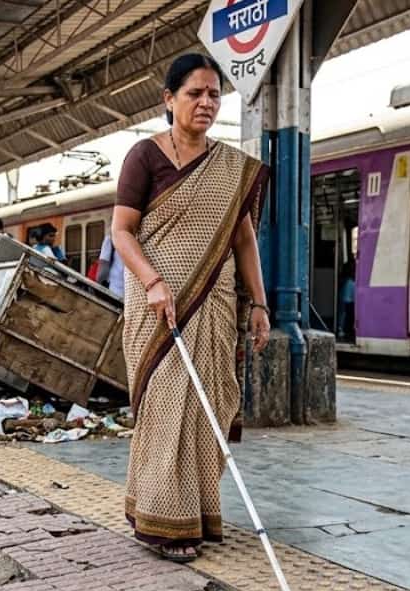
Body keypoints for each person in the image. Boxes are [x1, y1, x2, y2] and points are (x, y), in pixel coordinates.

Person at [111, 54, 271, 563]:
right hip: (157, 307)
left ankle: (196, 513)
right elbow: (121, 231)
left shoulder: (230, 168)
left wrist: (260, 304)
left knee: (208, 409)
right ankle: (161, 521)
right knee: (164, 409)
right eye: (194, 93)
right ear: (169, 100)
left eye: (214, 95)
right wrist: (154, 281)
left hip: (215, 305)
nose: (206, 103)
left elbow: (244, 242)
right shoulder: (144, 157)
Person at [97, 234, 125, 298]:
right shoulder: (138, 235)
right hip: (134, 292)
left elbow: (103, 271)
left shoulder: (111, 238)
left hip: (116, 291)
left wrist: (97, 285)